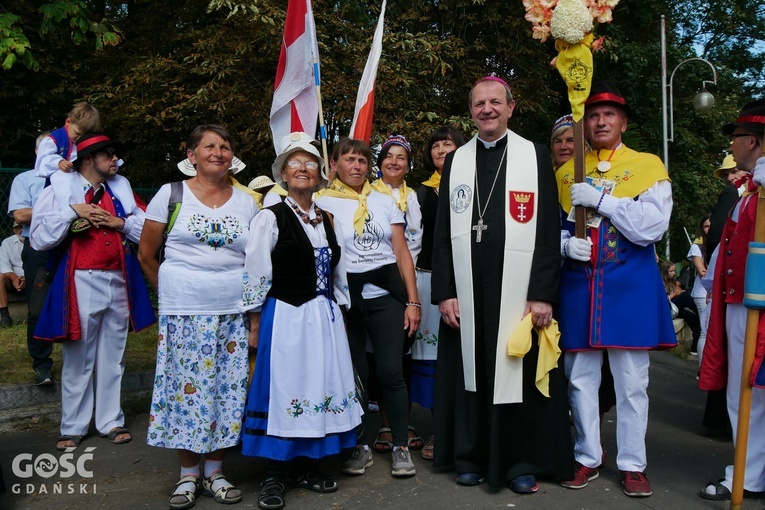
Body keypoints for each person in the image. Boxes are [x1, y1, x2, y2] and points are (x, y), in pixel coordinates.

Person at [431, 75, 573, 494]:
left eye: (496, 102)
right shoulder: (457, 161)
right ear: (471, 111)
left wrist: (542, 293)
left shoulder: (535, 155)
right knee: (470, 373)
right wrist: (445, 292)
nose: (487, 109)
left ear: (511, 107)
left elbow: (548, 231)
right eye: (479, 103)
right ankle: (470, 456)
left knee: (517, 373)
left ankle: (518, 461)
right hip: (468, 291)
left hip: (518, 293)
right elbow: (443, 233)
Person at [556, 81, 676, 498]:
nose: (600, 120)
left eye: (609, 114)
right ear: (583, 123)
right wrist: (564, 244)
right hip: (580, 284)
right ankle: (587, 455)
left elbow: (651, 227)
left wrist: (602, 201)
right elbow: (545, 231)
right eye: (593, 115)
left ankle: (632, 463)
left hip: (630, 285)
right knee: (580, 378)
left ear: (623, 122)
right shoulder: (566, 172)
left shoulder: (648, 166)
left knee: (631, 381)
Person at [240, 132, 362, 510]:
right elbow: (256, 272)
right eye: (295, 163)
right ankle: (276, 473)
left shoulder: (327, 219)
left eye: (310, 163)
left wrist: (340, 309)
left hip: (323, 316)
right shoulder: (270, 218)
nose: (303, 168)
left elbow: (338, 273)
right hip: (287, 316)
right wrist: (255, 322)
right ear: (282, 173)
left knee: (318, 384)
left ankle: (308, 465)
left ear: (320, 174)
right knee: (286, 387)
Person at [139, 125, 258, 509]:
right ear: (192, 155)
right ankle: (188, 475)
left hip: (231, 311)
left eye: (225, 146)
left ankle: (216, 473)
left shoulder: (246, 203)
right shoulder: (170, 194)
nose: (218, 152)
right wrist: (173, 293)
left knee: (227, 389)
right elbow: (147, 254)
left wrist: (253, 313)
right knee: (187, 391)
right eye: (209, 146)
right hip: (186, 312)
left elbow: (255, 261)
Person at [29, 133, 155, 451]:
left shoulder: (122, 193)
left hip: (118, 279)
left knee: (114, 357)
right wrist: (74, 212)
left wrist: (119, 223)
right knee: (78, 357)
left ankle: (111, 420)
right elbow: (39, 238)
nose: (116, 160)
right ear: (88, 160)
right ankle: (73, 426)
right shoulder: (58, 191)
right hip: (80, 280)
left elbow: (150, 233)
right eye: (109, 154)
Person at [315, 138, 421, 478]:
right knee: (355, 376)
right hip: (347, 299)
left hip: (386, 296)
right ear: (334, 165)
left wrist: (412, 300)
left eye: (362, 160)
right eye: (349, 159)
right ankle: (359, 445)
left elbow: (402, 252)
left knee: (391, 371)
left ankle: (400, 445)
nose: (357, 166)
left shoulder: (384, 199)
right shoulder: (322, 201)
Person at [698, 99, 765, 501]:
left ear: (753, 141)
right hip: (739, 300)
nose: (733, 145)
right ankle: (750, 469)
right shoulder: (749, 190)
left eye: (737, 138)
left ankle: (749, 475)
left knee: (750, 390)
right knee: (748, 390)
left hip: (754, 302)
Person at [368, 134, 424, 456]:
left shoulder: (414, 196)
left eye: (401, 156)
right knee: (380, 357)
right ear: (380, 163)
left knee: (406, 355)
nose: (394, 161)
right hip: (381, 285)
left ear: (408, 164)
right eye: (388, 155)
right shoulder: (367, 194)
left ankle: (404, 421)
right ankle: (386, 424)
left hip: (412, 283)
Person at [414, 126, 466, 461]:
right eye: (436, 145)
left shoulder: (474, 184)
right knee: (434, 359)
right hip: (430, 279)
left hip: (470, 283)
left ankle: (466, 428)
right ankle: (438, 429)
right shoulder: (420, 192)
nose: (442, 149)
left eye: (448, 143)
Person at [8, 133, 54, 384]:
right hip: (37, 248)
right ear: (37, 152)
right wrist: (57, 213)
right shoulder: (25, 179)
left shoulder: (70, 179)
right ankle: (42, 365)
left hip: (68, 247)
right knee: (37, 306)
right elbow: (21, 215)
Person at [35, 103, 102, 177]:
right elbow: (42, 162)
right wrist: (58, 162)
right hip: (57, 185)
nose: (80, 138)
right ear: (68, 122)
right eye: (77, 133)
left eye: (85, 135)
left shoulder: (88, 142)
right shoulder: (53, 140)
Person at [0, 222, 25, 327]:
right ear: (14, 230)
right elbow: (4, 266)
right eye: (18, 228)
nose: (22, 230)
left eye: (24, 227)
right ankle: (5, 316)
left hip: (31, 278)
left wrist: (26, 278)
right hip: (12, 279)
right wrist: (14, 278)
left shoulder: (38, 240)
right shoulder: (7, 242)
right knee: (0, 277)